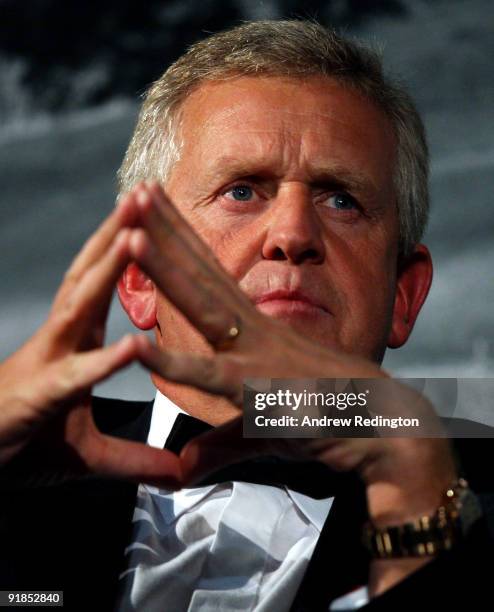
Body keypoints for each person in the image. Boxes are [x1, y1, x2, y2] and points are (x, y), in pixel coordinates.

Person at [0, 20, 492, 612]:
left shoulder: (459, 483)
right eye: (241, 191)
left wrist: (415, 495)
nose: (292, 234)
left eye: (341, 199)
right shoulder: (22, 461)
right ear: (140, 279)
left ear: (403, 295)